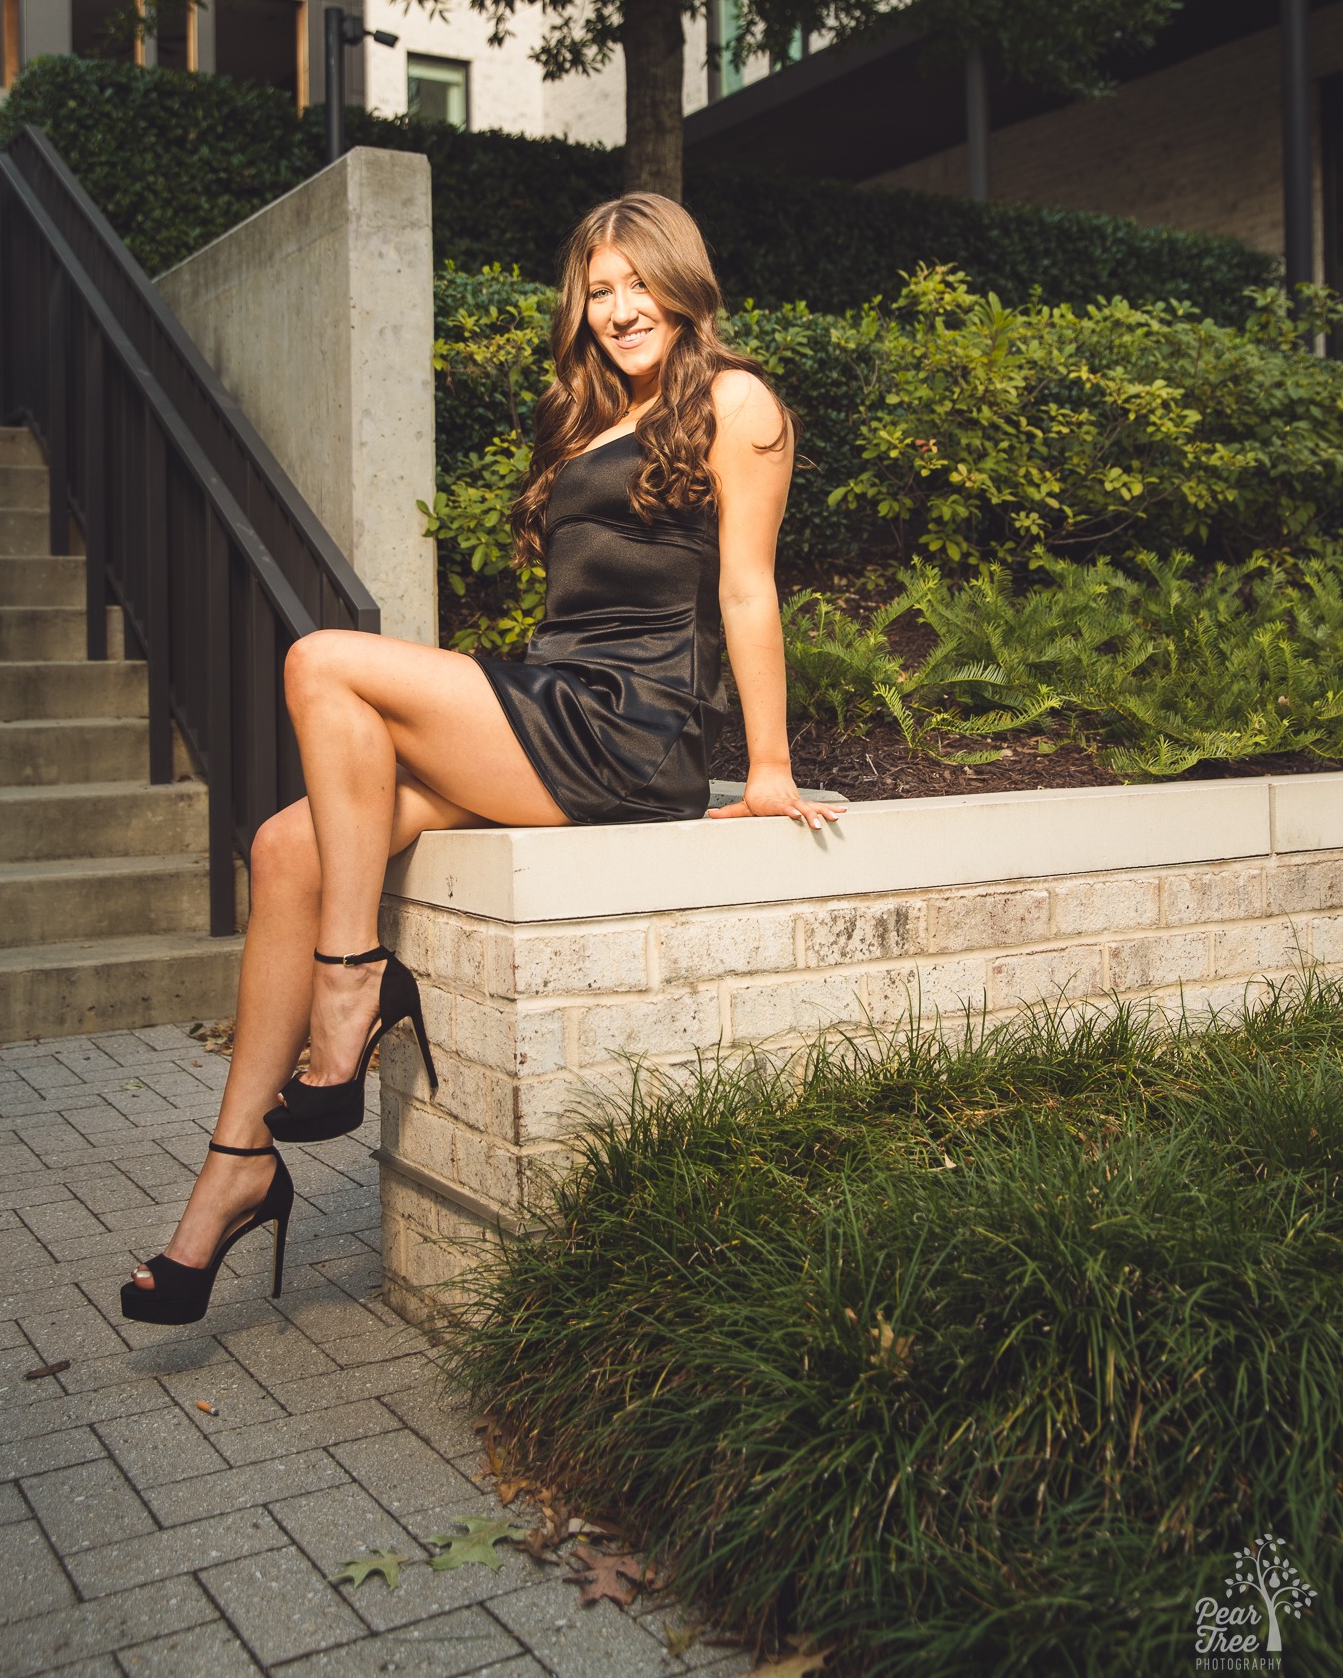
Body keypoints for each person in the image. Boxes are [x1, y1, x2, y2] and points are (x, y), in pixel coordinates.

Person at [119, 191, 845, 1325]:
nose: (616, 310)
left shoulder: (736, 403)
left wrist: (765, 769)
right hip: (553, 695)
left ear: (681, 282)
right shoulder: (583, 418)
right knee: (281, 845)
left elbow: (745, 588)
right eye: (596, 292)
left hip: (627, 727)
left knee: (323, 664)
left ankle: (352, 986)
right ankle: (235, 1166)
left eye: (634, 284)